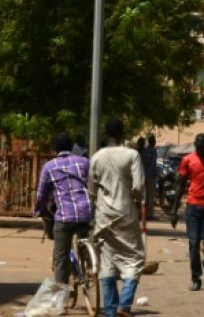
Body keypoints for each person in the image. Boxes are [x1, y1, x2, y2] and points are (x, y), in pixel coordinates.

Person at [89, 118, 145, 317]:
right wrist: (136, 199)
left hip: (103, 214)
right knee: (135, 257)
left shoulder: (97, 157)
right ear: (123, 134)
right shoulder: (132, 155)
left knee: (107, 260)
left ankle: (111, 310)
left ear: (106, 134)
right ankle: (125, 304)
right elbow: (138, 187)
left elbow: (92, 189)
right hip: (125, 212)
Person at [34, 132, 93, 286]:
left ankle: (62, 300)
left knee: (61, 257)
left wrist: (39, 211)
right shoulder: (84, 162)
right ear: (72, 146)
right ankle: (88, 262)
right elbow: (93, 184)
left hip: (65, 216)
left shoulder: (49, 167)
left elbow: (41, 195)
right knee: (84, 234)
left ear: (55, 149)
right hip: (86, 212)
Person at [170, 133, 204, 291]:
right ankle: (196, 277)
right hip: (193, 206)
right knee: (193, 244)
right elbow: (180, 186)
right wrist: (174, 210)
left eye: (203, 147)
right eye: (198, 147)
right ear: (195, 145)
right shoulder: (188, 160)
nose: (200, 150)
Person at [142, 135, 158, 220]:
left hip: (144, 176)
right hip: (151, 176)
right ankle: (150, 214)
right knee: (151, 196)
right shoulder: (153, 151)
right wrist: (155, 174)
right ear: (153, 142)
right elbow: (153, 165)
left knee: (145, 196)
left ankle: (143, 213)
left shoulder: (144, 151)